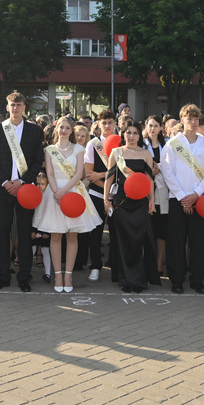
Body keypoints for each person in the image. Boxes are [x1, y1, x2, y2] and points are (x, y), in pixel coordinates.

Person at [33, 116, 101, 293]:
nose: (64, 130)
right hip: (54, 193)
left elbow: (79, 174)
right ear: (56, 129)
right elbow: (49, 173)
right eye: (61, 127)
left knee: (72, 235)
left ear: (71, 131)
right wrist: (57, 191)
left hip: (73, 193)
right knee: (55, 235)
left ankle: (68, 275)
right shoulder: (49, 150)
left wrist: (64, 191)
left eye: (67, 128)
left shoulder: (78, 148)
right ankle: (58, 275)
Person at [0, 92, 44, 292]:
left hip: (25, 190)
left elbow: (37, 161)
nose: (16, 108)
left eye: (19, 104)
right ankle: (2, 276)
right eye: (12, 104)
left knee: (25, 234)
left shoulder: (34, 131)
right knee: (1, 234)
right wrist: (4, 182)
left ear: (24, 107)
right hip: (2, 189)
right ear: (7, 107)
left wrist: (21, 182)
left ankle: (24, 277)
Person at [160, 104, 204, 294]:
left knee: (199, 241)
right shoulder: (172, 144)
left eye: (196, 118)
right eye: (189, 118)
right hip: (178, 199)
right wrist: (184, 198)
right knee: (176, 241)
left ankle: (197, 279)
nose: (193, 122)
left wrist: (196, 194)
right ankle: (177, 279)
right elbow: (167, 173)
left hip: (200, 199)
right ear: (182, 120)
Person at [103, 120, 159, 293]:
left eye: (135, 133)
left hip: (141, 202)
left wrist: (152, 200)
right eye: (128, 132)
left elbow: (149, 179)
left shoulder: (146, 154)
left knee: (139, 241)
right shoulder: (116, 153)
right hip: (121, 202)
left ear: (139, 135)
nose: (132, 136)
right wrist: (106, 200)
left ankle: (139, 279)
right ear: (123, 134)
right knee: (123, 241)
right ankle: (125, 279)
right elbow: (109, 178)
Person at [83, 109, 117, 282]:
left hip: (117, 196)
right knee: (95, 232)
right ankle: (95, 266)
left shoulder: (121, 142)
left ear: (115, 123)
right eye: (104, 123)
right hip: (97, 194)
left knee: (116, 233)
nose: (107, 126)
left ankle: (116, 267)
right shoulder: (93, 144)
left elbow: (123, 171)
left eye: (110, 122)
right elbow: (90, 174)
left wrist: (102, 174)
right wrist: (106, 188)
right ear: (98, 124)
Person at [143, 115, 168, 275]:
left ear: (161, 128)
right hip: (145, 192)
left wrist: (159, 168)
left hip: (162, 192)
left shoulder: (166, 144)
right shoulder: (142, 144)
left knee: (161, 230)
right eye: (150, 125)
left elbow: (172, 166)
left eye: (156, 126)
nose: (153, 129)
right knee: (147, 230)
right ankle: (147, 263)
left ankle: (158, 264)